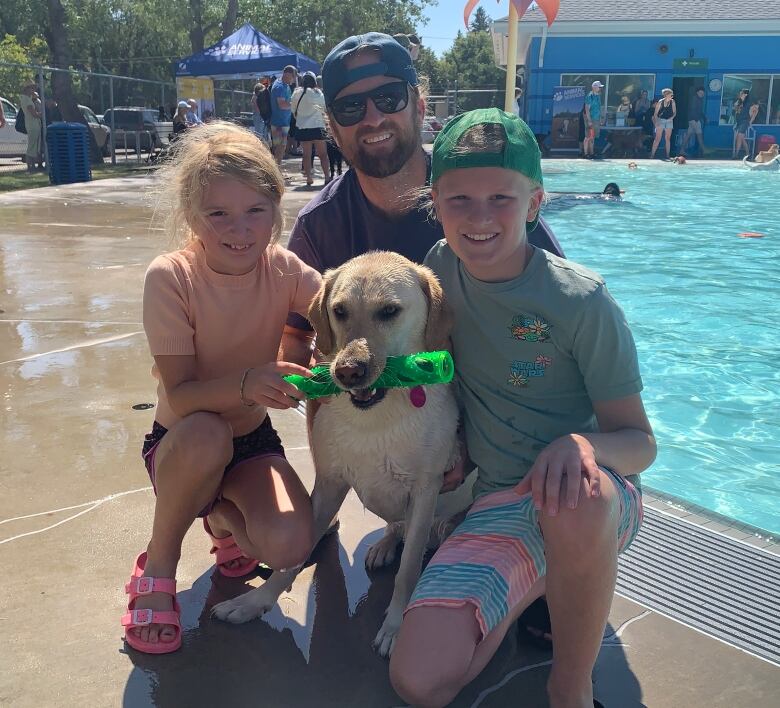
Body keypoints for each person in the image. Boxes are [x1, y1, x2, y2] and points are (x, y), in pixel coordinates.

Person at [281, 31, 565, 646]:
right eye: (351, 108)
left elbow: (554, 312)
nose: (374, 119)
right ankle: (402, 525)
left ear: (418, 98)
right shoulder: (319, 227)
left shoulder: (473, 195)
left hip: (497, 430)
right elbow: (301, 345)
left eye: (387, 96)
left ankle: (530, 541)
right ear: (330, 123)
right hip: (398, 430)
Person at [389, 108, 656, 708]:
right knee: (419, 682)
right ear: (435, 201)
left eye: (501, 199)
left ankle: (570, 685)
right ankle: (541, 582)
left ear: (535, 202)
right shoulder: (437, 272)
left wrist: (582, 444)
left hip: (593, 496)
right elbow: (436, 370)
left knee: (577, 503)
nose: (479, 218)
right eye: (459, 199)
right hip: (498, 499)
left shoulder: (581, 302)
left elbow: (641, 444)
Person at [121, 122, 321, 654]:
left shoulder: (284, 268)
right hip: (183, 440)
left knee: (290, 545)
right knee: (208, 432)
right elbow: (182, 396)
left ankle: (220, 519)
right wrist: (250, 382)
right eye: (219, 214)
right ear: (192, 217)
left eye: (257, 210)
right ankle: (157, 565)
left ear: (278, 211)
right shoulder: (171, 277)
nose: (241, 229)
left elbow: (337, 304)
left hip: (251, 442)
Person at [291, 71, 331, 186]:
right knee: (323, 154)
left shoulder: (296, 93)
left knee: (306, 154)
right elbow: (324, 108)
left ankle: (309, 178)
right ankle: (327, 176)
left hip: (303, 127)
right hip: (318, 126)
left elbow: (293, 110)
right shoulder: (318, 93)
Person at [270, 65, 297, 166]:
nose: (294, 79)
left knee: (281, 148)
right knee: (279, 148)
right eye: (293, 76)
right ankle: (276, 170)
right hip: (278, 123)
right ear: (288, 74)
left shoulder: (285, 85)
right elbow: (282, 105)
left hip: (283, 122)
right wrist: (295, 105)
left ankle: (277, 169)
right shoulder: (279, 86)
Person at [19, 83, 43, 171]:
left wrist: (35, 97)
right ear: (27, 89)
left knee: (34, 145)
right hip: (32, 124)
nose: (33, 91)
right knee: (31, 145)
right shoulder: (26, 100)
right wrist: (41, 114)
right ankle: (30, 166)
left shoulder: (28, 98)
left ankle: (32, 165)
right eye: (32, 89)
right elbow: (34, 114)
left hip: (33, 124)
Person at [732, 89, 758, 159]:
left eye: (742, 93)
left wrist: (750, 121)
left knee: (739, 137)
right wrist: (739, 102)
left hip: (745, 121)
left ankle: (736, 154)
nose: (740, 94)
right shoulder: (739, 102)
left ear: (746, 95)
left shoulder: (750, 103)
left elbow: (755, 111)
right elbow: (735, 109)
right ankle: (748, 154)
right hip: (739, 122)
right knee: (742, 139)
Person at [650, 88, 676, 159]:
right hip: (660, 120)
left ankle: (667, 155)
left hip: (669, 121)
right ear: (666, 95)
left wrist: (671, 118)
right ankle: (652, 155)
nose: (672, 96)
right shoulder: (660, 102)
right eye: (671, 95)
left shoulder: (672, 102)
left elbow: (674, 112)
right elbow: (655, 114)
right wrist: (657, 122)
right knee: (657, 138)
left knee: (667, 138)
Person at [681, 86, 706, 158]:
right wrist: (696, 119)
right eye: (701, 93)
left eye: (703, 93)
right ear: (697, 92)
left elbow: (699, 111)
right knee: (699, 135)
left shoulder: (699, 99)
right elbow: (693, 109)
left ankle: (682, 150)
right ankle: (704, 150)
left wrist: (704, 117)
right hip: (694, 120)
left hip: (692, 120)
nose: (702, 94)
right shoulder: (695, 99)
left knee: (688, 135)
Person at [582, 80, 604, 158]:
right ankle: (585, 153)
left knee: (593, 136)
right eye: (599, 87)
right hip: (590, 119)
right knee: (587, 136)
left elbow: (599, 108)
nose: (600, 88)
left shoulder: (598, 96)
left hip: (596, 119)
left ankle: (591, 153)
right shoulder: (589, 96)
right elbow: (587, 109)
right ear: (594, 87)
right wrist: (589, 120)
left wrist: (601, 118)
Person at [251, 80, 272, 144]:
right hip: (258, 116)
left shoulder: (257, 97)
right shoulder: (255, 97)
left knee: (264, 134)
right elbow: (257, 109)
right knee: (259, 134)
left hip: (260, 116)